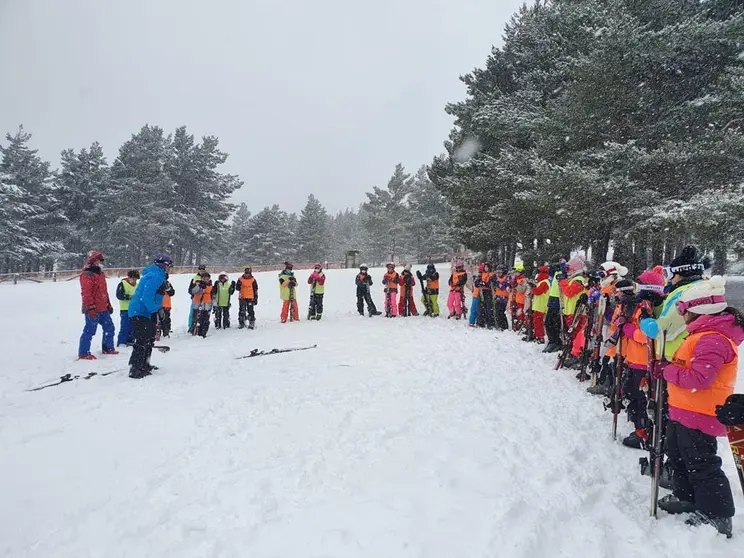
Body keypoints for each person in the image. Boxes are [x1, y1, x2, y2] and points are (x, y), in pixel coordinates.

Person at [653, 276, 740, 538]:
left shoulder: (713, 339)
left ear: (699, 310)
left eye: (684, 310)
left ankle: (717, 514)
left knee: (701, 464)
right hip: (684, 409)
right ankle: (686, 496)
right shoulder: (701, 335)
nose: (682, 315)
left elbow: (700, 379)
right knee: (679, 456)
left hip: (701, 413)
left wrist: (667, 371)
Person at [127, 254, 172, 378]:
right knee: (142, 339)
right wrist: (155, 309)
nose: (169, 268)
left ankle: (145, 364)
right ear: (163, 265)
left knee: (149, 338)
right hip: (140, 311)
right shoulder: (155, 276)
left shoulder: (157, 275)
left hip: (145, 311)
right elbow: (146, 297)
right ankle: (135, 369)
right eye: (168, 266)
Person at [78, 250, 118, 360]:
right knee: (90, 330)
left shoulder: (100, 273)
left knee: (109, 327)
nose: (99, 263)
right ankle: (83, 353)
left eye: (100, 261)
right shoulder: (87, 274)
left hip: (103, 307)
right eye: (97, 260)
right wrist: (90, 307)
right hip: (93, 308)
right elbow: (86, 293)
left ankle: (108, 348)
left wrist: (108, 303)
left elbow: (104, 291)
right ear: (92, 260)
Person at [543, 258, 566, 353]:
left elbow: (565, 275)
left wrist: (563, 267)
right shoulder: (556, 271)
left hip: (559, 299)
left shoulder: (565, 271)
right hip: (553, 297)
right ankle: (552, 340)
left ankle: (556, 341)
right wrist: (554, 268)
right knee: (548, 322)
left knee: (555, 322)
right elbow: (551, 275)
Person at [115, 270, 140, 347]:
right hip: (125, 309)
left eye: (136, 279)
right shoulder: (122, 284)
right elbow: (119, 295)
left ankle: (131, 341)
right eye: (133, 279)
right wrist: (129, 297)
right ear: (129, 277)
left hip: (135, 310)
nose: (134, 281)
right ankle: (121, 342)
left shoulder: (137, 285)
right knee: (125, 327)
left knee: (133, 327)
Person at [529, 265, 550, 343]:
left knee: (538, 322)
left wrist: (533, 288)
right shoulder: (543, 281)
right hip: (540, 305)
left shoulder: (544, 282)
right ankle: (538, 335)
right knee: (537, 322)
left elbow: (538, 292)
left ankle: (540, 337)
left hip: (541, 305)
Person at [191, 272, 213, 336]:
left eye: (207, 279)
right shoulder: (198, 284)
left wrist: (214, 305)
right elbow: (193, 291)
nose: (205, 280)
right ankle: (196, 332)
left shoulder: (211, 286)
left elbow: (213, 295)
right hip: (198, 305)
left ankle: (203, 333)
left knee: (205, 320)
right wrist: (199, 287)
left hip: (207, 306)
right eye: (204, 278)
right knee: (197, 320)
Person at [187, 264, 208, 330]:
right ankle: (191, 327)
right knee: (193, 313)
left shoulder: (207, 277)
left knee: (203, 314)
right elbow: (190, 290)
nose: (201, 271)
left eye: (203, 269)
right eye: (200, 269)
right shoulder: (195, 278)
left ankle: (201, 327)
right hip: (196, 298)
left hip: (204, 299)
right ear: (198, 270)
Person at [492, 264, 511, 330]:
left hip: (504, 298)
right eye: (497, 272)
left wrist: (496, 282)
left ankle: (504, 326)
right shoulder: (498, 278)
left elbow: (502, 287)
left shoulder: (507, 278)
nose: (498, 274)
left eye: (500, 272)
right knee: (497, 312)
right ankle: (499, 325)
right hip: (498, 297)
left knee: (501, 312)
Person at [158, 274, 175, 338]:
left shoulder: (168, 283)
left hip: (166, 305)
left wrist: (168, 289)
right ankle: (157, 333)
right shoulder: (156, 283)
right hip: (157, 305)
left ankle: (166, 333)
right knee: (157, 320)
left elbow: (172, 293)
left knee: (166, 319)